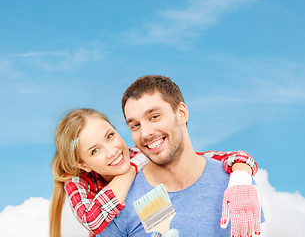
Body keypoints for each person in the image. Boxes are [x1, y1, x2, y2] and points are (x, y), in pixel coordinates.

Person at [49, 106, 259, 237]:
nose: (112, 151)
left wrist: (241, 175)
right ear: (83, 165)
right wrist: (129, 171)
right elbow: (92, 219)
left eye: (110, 136)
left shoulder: (139, 154)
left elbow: (207, 158)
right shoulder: (77, 182)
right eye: (95, 151)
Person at [97, 75, 262, 237]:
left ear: (181, 113)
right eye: (135, 125)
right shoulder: (121, 203)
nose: (145, 133)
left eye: (154, 117)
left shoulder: (236, 185)